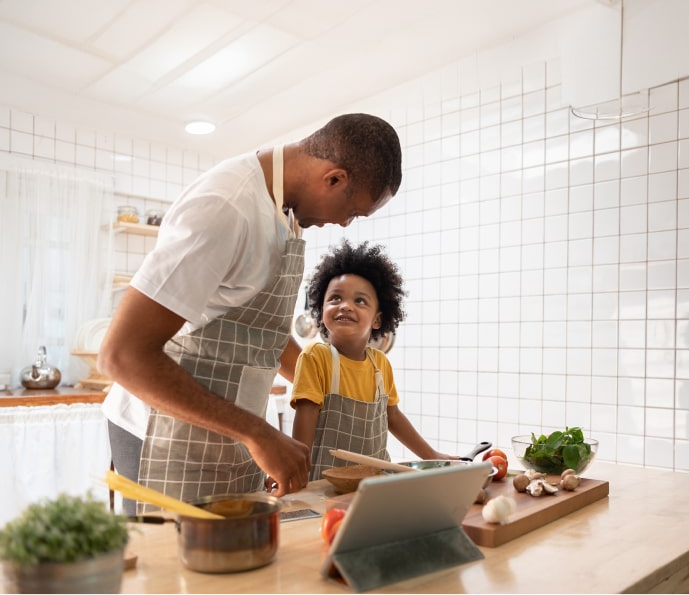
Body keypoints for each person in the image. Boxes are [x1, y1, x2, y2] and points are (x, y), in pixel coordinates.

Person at [98, 114, 402, 514]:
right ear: (334, 179)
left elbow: (259, 334)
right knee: (174, 571)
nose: (343, 225)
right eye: (354, 213)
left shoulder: (285, 214)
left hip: (227, 434)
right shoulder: (226, 206)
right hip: (162, 434)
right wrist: (258, 433)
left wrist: (342, 389)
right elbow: (122, 356)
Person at [291, 240, 455, 481]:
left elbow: (393, 417)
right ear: (321, 307)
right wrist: (296, 474)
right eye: (335, 298)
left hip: (375, 483)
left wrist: (431, 455)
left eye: (359, 301)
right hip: (324, 486)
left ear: (377, 319)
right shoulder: (316, 358)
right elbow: (304, 424)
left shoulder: (380, 363)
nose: (345, 306)